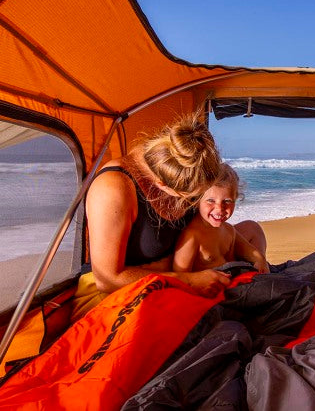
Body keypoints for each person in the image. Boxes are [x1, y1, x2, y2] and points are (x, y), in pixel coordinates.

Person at [72, 112, 267, 320]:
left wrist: (254, 257)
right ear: (162, 186)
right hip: (118, 290)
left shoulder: (186, 163)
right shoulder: (113, 188)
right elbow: (107, 279)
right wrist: (189, 280)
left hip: (181, 273)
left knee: (251, 231)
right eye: (190, 197)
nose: (191, 202)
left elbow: (216, 229)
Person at [173, 163, 270, 274]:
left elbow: (252, 253)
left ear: (235, 199)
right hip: (210, 286)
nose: (220, 208)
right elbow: (181, 276)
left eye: (227, 201)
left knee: (252, 226)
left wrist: (261, 261)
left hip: (235, 279)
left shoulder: (228, 230)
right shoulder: (192, 237)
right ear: (197, 200)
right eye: (211, 201)